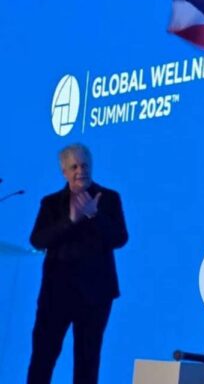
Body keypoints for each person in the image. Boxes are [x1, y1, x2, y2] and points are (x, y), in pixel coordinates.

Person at [28, 143, 128, 384]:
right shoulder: (51, 203)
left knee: (87, 360)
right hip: (56, 294)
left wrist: (94, 215)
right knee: (43, 356)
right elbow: (38, 239)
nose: (80, 171)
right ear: (64, 171)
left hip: (95, 296)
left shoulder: (109, 199)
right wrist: (71, 220)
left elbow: (120, 237)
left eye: (84, 165)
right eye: (74, 166)